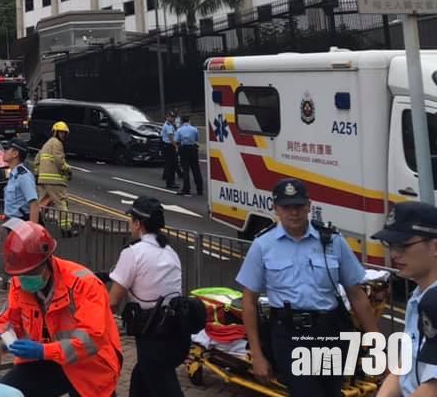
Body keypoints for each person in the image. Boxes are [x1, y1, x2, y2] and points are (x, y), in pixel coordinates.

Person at [236, 178, 377, 397]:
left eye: (299, 206)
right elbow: (249, 302)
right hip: (289, 336)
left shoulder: (332, 241)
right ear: (275, 208)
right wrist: (257, 354)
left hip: (331, 333)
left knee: (331, 392)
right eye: (287, 207)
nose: (294, 213)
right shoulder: (263, 245)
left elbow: (357, 296)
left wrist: (378, 344)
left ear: (309, 206)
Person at [0, 219, 122, 396]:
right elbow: (7, 320)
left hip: (89, 365)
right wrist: (6, 339)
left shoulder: (83, 284)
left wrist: (43, 350)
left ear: (47, 261)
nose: (23, 278)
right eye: (20, 274)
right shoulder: (19, 282)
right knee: (6, 392)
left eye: (29, 272)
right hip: (46, 360)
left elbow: (91, 340)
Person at [108, 197, 188, 397]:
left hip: (152, 334)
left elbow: (113, 301)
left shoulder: (133, 253)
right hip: (177, 332)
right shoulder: (170, 252)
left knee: (164, 387)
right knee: (141, 380)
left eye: (131, 219)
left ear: (138, 224)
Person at [370, 202, 437, 397]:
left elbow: (433, 387)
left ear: (435, 246)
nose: (394, 254)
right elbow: (404, 366)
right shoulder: (418, 297)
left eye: (403, 246)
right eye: (390, 245)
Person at [36, 121, 71, 225]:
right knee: (61, 203)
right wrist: (68, 169)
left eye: (64, 133)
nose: (63, 135)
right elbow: (59, 160)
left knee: (43, 203)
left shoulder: (47, 143)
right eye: (61, 132)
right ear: (56, 132)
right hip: (54, 181)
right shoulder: (57, 143)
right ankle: (66, 229)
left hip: (43, 181)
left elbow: (37, 159)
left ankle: (37, 224)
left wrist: (38, 174)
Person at [2, 138, 39, 222]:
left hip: (21, 224)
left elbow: (34, 204)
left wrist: (32, 231)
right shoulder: (14, 175)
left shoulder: (23, 176)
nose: (4, 151)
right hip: (11, 223)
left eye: (7, 149)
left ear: (15, 154)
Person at [173, 116, 202, 196]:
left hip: (184, 149)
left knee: (185, 169)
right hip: (193, 148)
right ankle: (199, 189)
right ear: (189, 121)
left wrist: (177, 148)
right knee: (196, 169)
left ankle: (186, 189)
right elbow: (196, 139)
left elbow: (176, 140)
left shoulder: (179, 130)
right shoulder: (194, 129)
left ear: (182, 121)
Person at [160, 112, 178, 190]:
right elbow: (171, 137)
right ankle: (170, 183)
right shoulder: (168, 126)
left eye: (173, 117)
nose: (172, 118)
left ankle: (170, 182)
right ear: (167, 117)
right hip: (169, 146)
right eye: (170, 117)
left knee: (170, 165)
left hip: (167, 146)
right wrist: (176, 146)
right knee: (171, 165)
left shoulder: (169, 125)